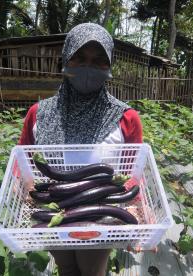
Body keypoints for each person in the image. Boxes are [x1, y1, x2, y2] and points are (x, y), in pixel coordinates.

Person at [18, 23, 143, 276]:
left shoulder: (126, 117)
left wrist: (137, 219)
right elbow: (22, 164)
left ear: (110, 66)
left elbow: (133, 175)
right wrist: (24, 190)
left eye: (99, 61)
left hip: (100, 215)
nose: (89, 67)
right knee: (65, 267)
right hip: (53, 205)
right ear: (65, 59)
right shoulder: (38, 114)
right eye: (80, 58)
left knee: (91, 270)